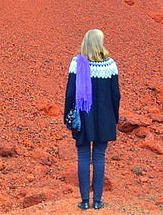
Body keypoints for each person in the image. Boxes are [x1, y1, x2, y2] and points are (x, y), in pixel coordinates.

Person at [64, 29, 121, 210]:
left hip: (83, 117)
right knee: (99, 156)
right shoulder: (110, 65)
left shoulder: (77, 63)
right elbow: (116, 95)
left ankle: (84, 201)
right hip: (104, 118)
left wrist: (67, 117)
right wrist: (114, 117)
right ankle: (97, 201)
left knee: (82, 157)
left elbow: (70, 94)